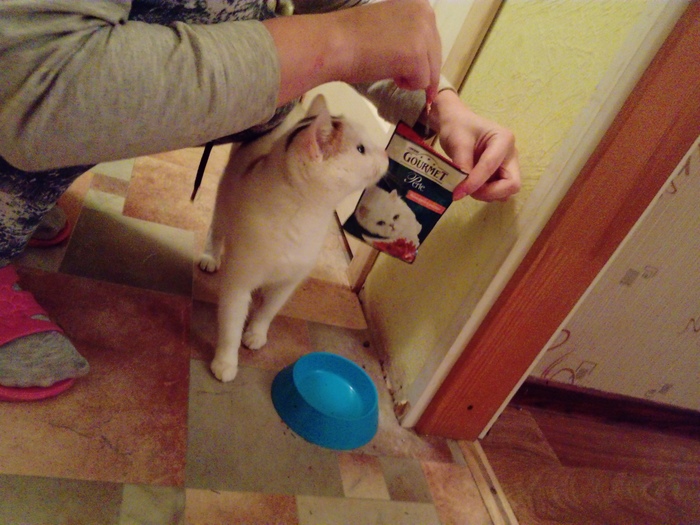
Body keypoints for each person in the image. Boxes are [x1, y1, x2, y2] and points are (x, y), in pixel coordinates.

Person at [0, 0, 520, 400]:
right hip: (24, 80)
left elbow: (339, 7)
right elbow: (34, 83)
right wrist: (334, 43)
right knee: (38, 124)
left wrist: (440, 105)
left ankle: (28, 189)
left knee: (268, 108)